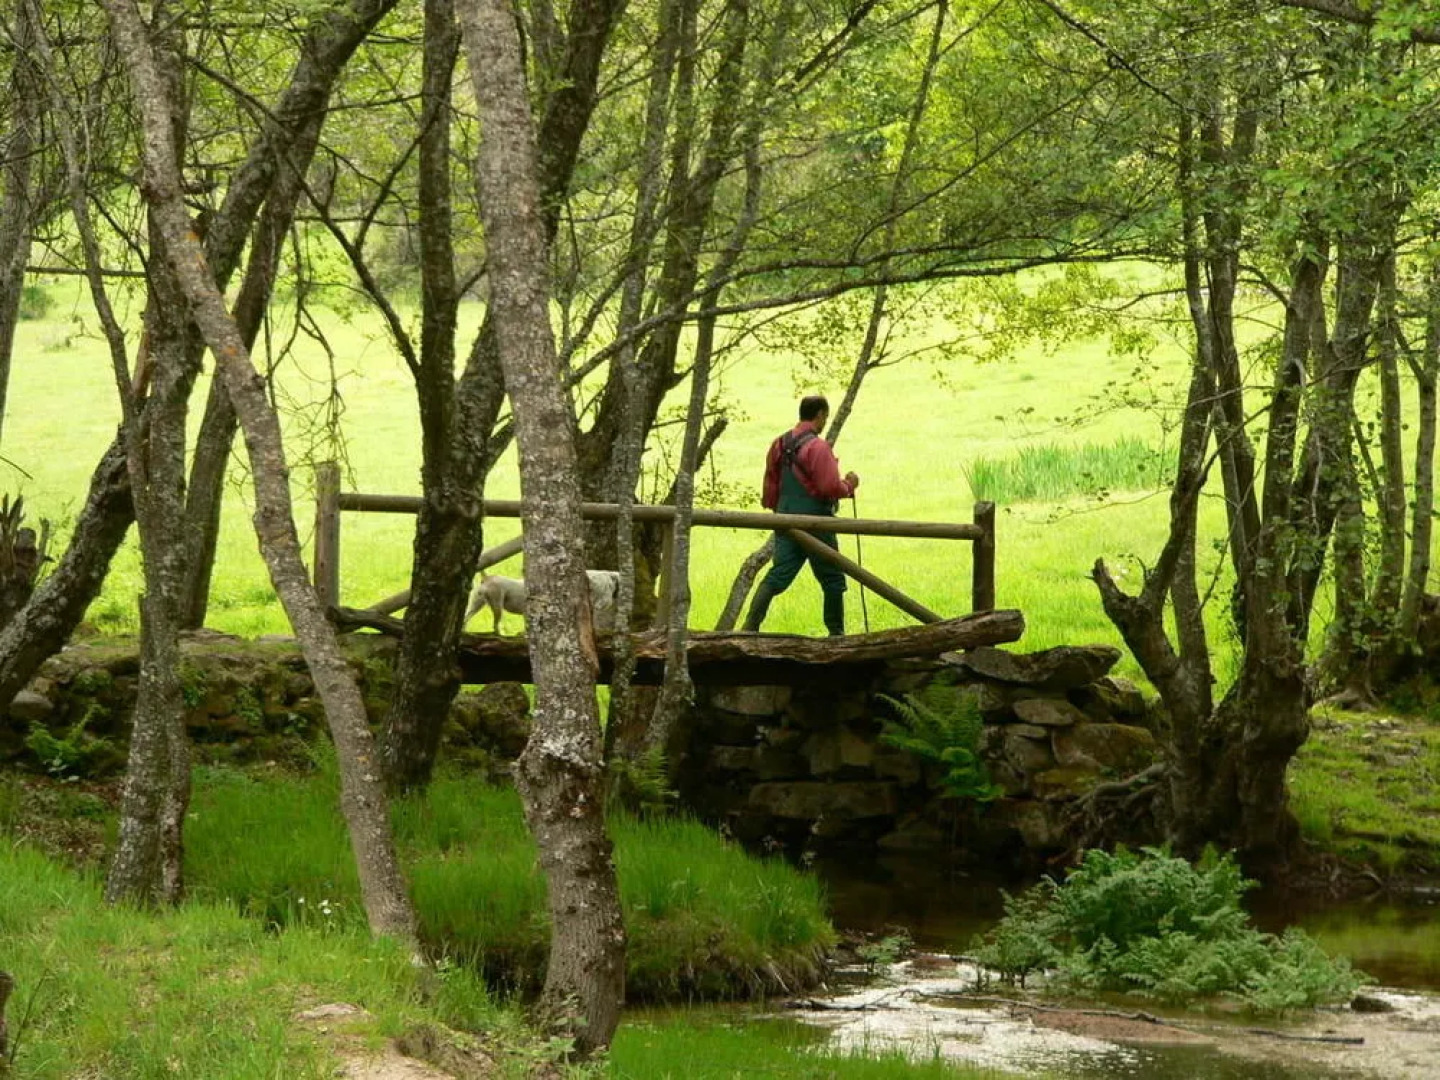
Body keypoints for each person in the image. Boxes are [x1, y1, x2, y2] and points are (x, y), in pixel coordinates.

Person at [743, 395, 859, 636]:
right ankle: (837, 636)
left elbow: (770, 486)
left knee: (778, 575)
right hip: (816, 521)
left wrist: (779, 512)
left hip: (785, 519)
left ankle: (750, 627)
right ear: (820, 415)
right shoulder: (818, 447)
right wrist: (849, 485)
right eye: (825, 416)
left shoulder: (779, 443)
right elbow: (829, 487)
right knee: (832, 579)